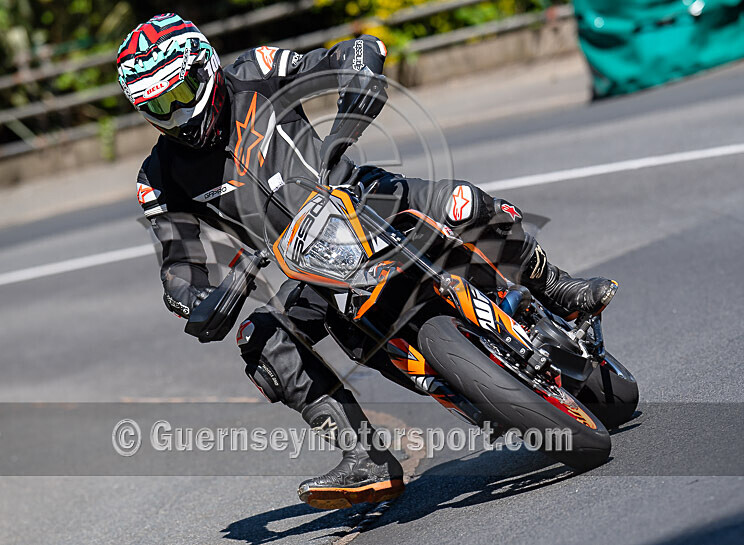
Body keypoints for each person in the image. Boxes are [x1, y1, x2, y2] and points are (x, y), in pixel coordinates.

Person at [118, 13, 617, 510]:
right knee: (261, 341)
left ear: (205, 68)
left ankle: (556, 288)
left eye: (181, 94)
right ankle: (365, 458)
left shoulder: (256, 70)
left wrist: (351, 102)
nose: (176, 114)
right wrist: (197, 298)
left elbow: (352, 53)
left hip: (365, 196)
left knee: (464, 202)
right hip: (305, 266)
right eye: (157, 106)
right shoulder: (157, 177)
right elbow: (176, 260)